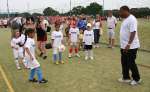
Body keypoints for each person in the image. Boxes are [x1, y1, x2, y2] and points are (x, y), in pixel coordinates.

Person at [118, 6, 141, 86]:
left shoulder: (132, 19)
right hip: (124, 46)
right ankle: (126, 77)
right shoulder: (126, 19)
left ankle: (137, 79)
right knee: (124, 62)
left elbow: (133, 32)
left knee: (131, 62)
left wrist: (128, 44)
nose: (119, 13)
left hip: (131, 46)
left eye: (121, 12)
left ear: (125, 11)